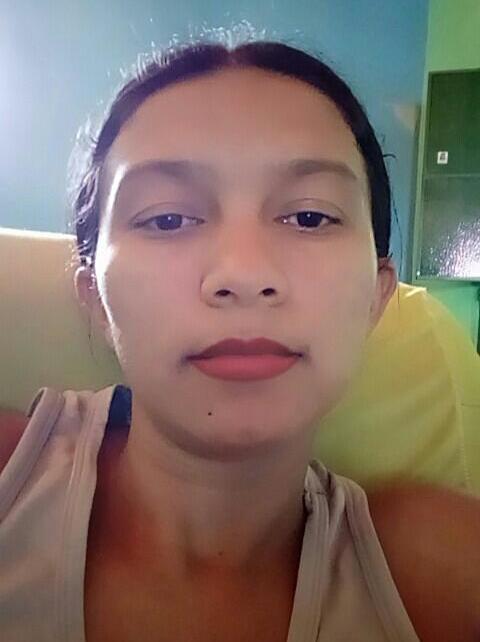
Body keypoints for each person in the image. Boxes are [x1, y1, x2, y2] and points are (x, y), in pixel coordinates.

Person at [0, 37, 479, 642]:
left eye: (309, 216)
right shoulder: (10, 478)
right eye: (168, 218)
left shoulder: (441, 570)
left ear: (377, 297)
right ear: (93, 297)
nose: (244, 274)